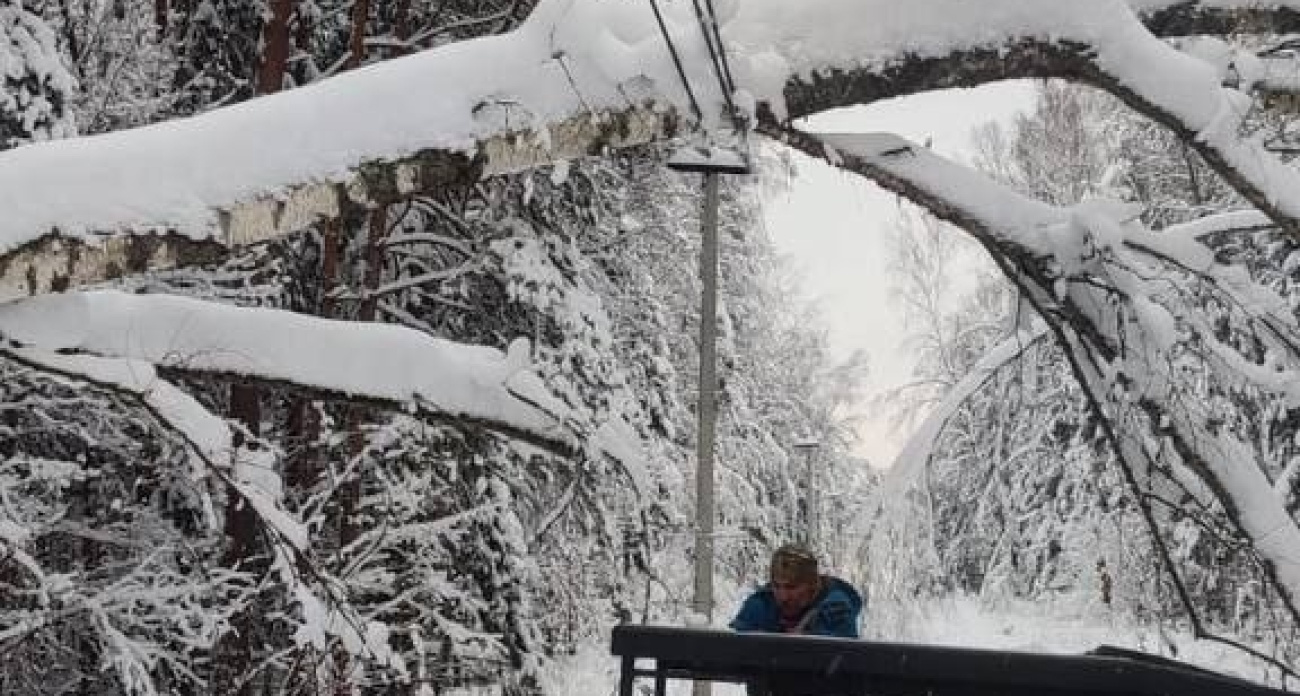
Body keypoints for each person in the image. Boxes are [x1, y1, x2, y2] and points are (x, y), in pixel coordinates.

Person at [729, 544, 863, 638]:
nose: (783, 596)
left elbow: (839, 663)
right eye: (776, 586)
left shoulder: (836, 609)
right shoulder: (761, 604)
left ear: (812, 586)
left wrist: (805, 638)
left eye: (791, 587)